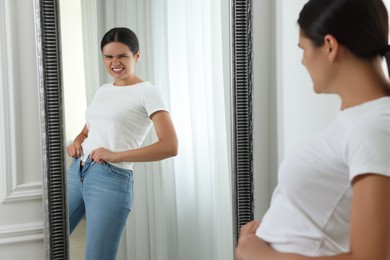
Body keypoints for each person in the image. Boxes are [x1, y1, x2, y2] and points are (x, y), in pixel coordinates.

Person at [236, 0, 390, 259]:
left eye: (303, 48)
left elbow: (371, 256)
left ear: (330, 46)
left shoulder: (373, 125)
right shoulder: (358, 121)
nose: (303, 61)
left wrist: (262, 254)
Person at [66, 27, 178, 260]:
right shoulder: (103, 90)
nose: (114, 62)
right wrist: (77, 140)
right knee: (46, 239)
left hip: (111, 178)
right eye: (108, 56)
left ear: (137, 56)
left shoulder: (148, 92)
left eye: (122, 56)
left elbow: (170, 145)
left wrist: (115, 155)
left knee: (97, 256)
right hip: (76, 172)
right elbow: (89, 129)